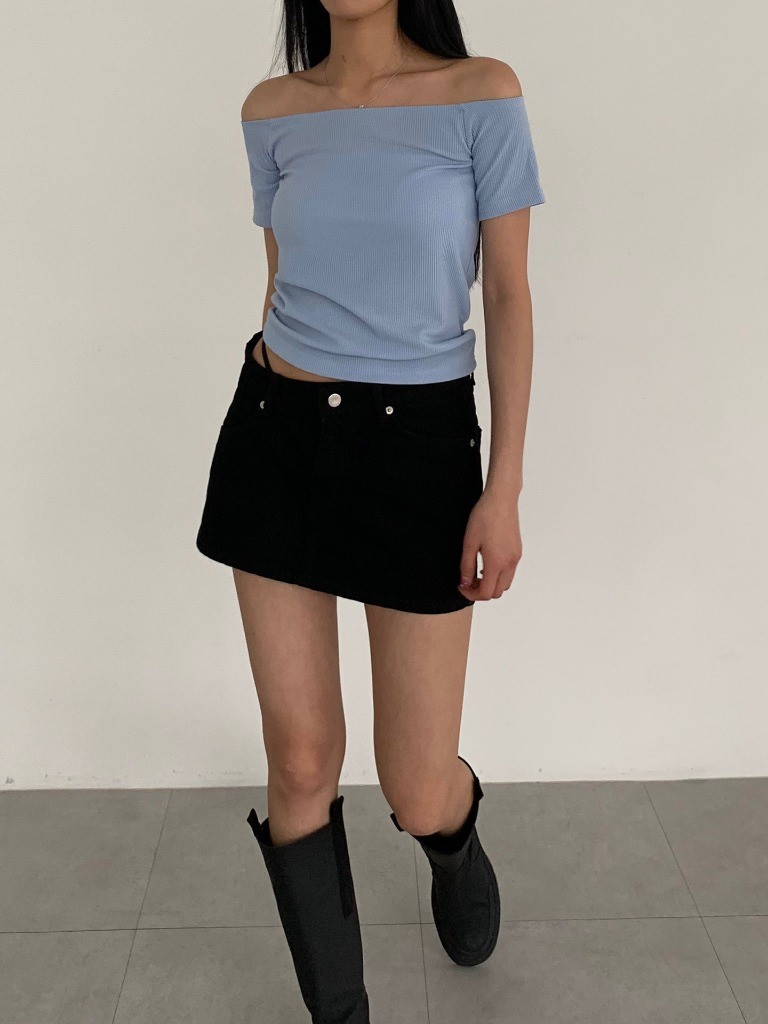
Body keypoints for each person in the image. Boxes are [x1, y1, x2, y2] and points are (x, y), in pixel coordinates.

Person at [196, 1, 545, 1019]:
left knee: (413, 782)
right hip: (278, 437)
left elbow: (509, 294)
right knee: (301, 759)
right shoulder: (271, 110)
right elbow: (283, 281)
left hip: (418, 449)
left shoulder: (481, 94)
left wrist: (503, 487)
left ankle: (454, 832)